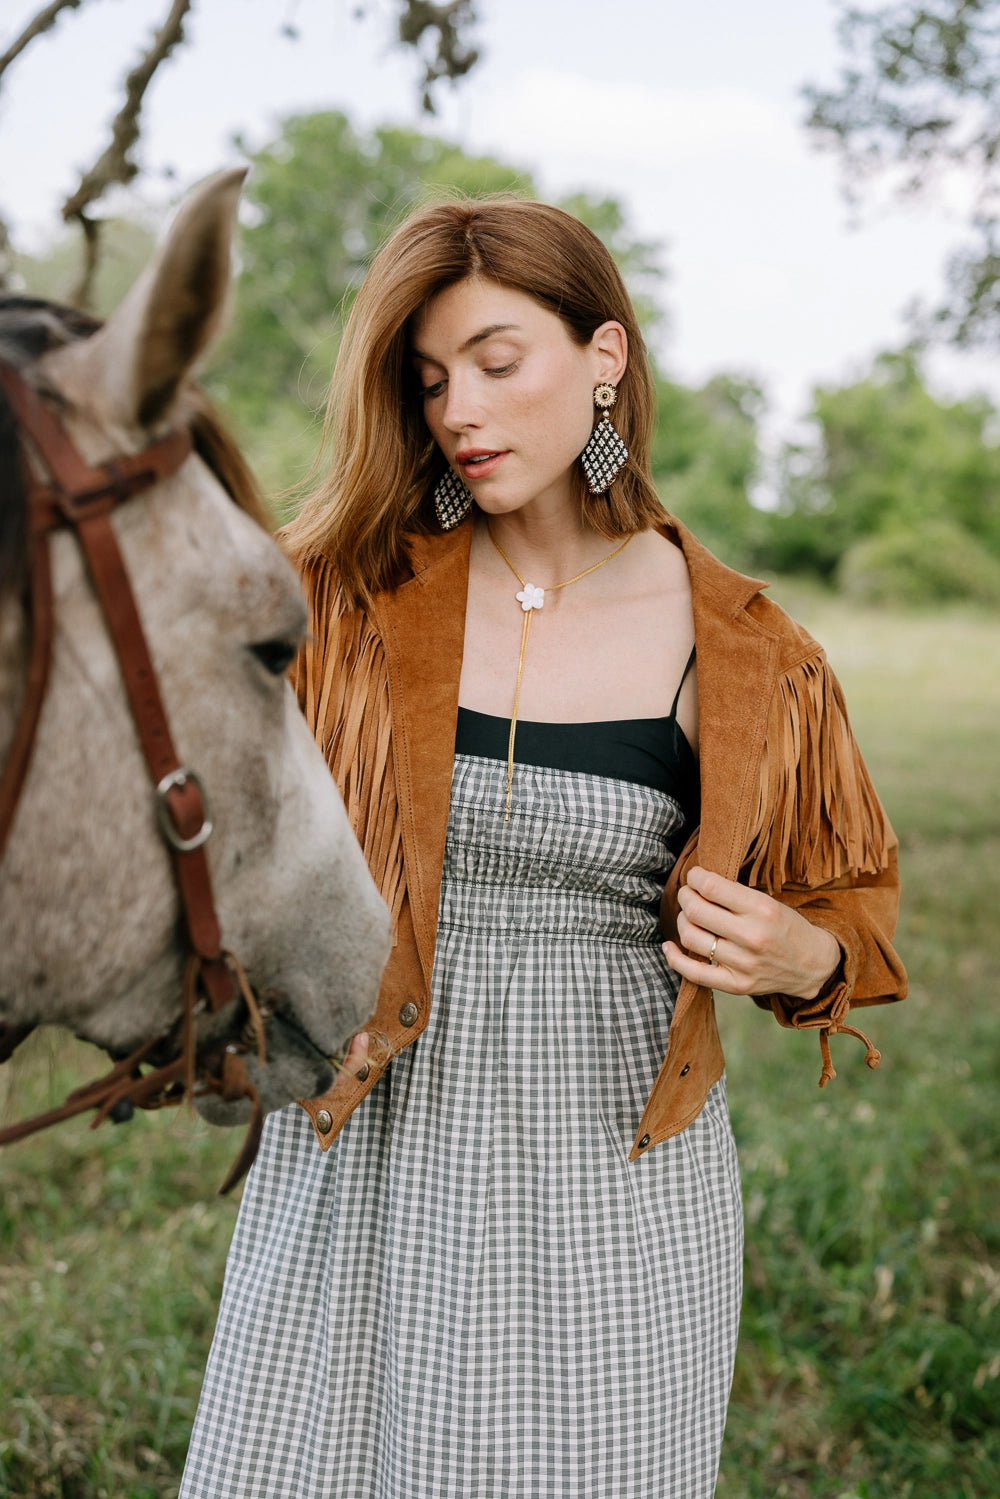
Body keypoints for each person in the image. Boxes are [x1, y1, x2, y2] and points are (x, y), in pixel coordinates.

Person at [179, 198, 906, 1498]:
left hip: (615, 1177)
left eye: (500, 363)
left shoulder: (750, 647)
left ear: (605, 358)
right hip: (372, 1146)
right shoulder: (335, 600)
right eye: (431, 379)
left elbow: (850, 918)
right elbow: (201, 836)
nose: (460, 406)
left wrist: (798, 948)